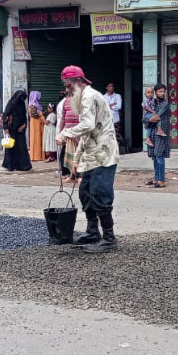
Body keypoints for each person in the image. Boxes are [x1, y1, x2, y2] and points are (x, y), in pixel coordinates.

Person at [56, 66, 120, 253]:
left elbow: (87, 125)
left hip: (103, 154)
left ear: (77, 82)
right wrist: (77, 158)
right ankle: (93, 231)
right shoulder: (83, 97)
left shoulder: (89, 96)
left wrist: (65, 133)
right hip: (91, 155)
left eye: (67, 86)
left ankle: (109, 238)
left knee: (100, 194)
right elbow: (88, 133)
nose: (66, 90)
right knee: (85, 192)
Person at [145, 84, 171, 188]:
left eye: (163, 91)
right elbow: (144, 117)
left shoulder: (165, 104)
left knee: (159, 156)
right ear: (155, 92)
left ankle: (162, 180)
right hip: (152, 133)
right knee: (154, 156)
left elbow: (157, 116)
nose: (162, 93)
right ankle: (156, 178)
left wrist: (149, 119)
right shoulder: (151, 102)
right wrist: (148, 119)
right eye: (160, 91)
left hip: (161, 133)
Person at [1, 90, 32, 171]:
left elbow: (24, 117)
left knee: (21, 148)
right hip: (12, 130)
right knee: (11, 147)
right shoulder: (11, 103)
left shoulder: (22, 104)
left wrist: (24, 125)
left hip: (20, 130)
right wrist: (6, 128)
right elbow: (5, 116)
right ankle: (10, 165)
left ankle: (23, 166)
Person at [59, 89, 80, 182]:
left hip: (79, 132)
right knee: (70, 154)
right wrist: (60, 133)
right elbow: (63, 118)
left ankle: (80, 175)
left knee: (79, 154)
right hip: (68, 133)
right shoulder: (65, 102)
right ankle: (72, 175)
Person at [27, 90, 45, 162]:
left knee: (37, 138)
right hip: (36, 123)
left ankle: (37, 155)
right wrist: (42, 114)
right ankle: (36, 156)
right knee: (36, 138)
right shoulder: (33, 105)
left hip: (36, 123)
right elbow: (34, 115)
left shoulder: (34, 104)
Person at [104, 83, 123, 147]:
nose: (111, 87)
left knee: (116, 135)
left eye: (112, 86)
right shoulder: (104, 97)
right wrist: (112, 105)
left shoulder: (117, 96)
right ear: (106, 87)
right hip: (106, 120)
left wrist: (109, 106)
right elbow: (103, 108)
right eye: (110, 86)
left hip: (116, 119)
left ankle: (116, 150)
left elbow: (119, 106)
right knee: (107, 135)